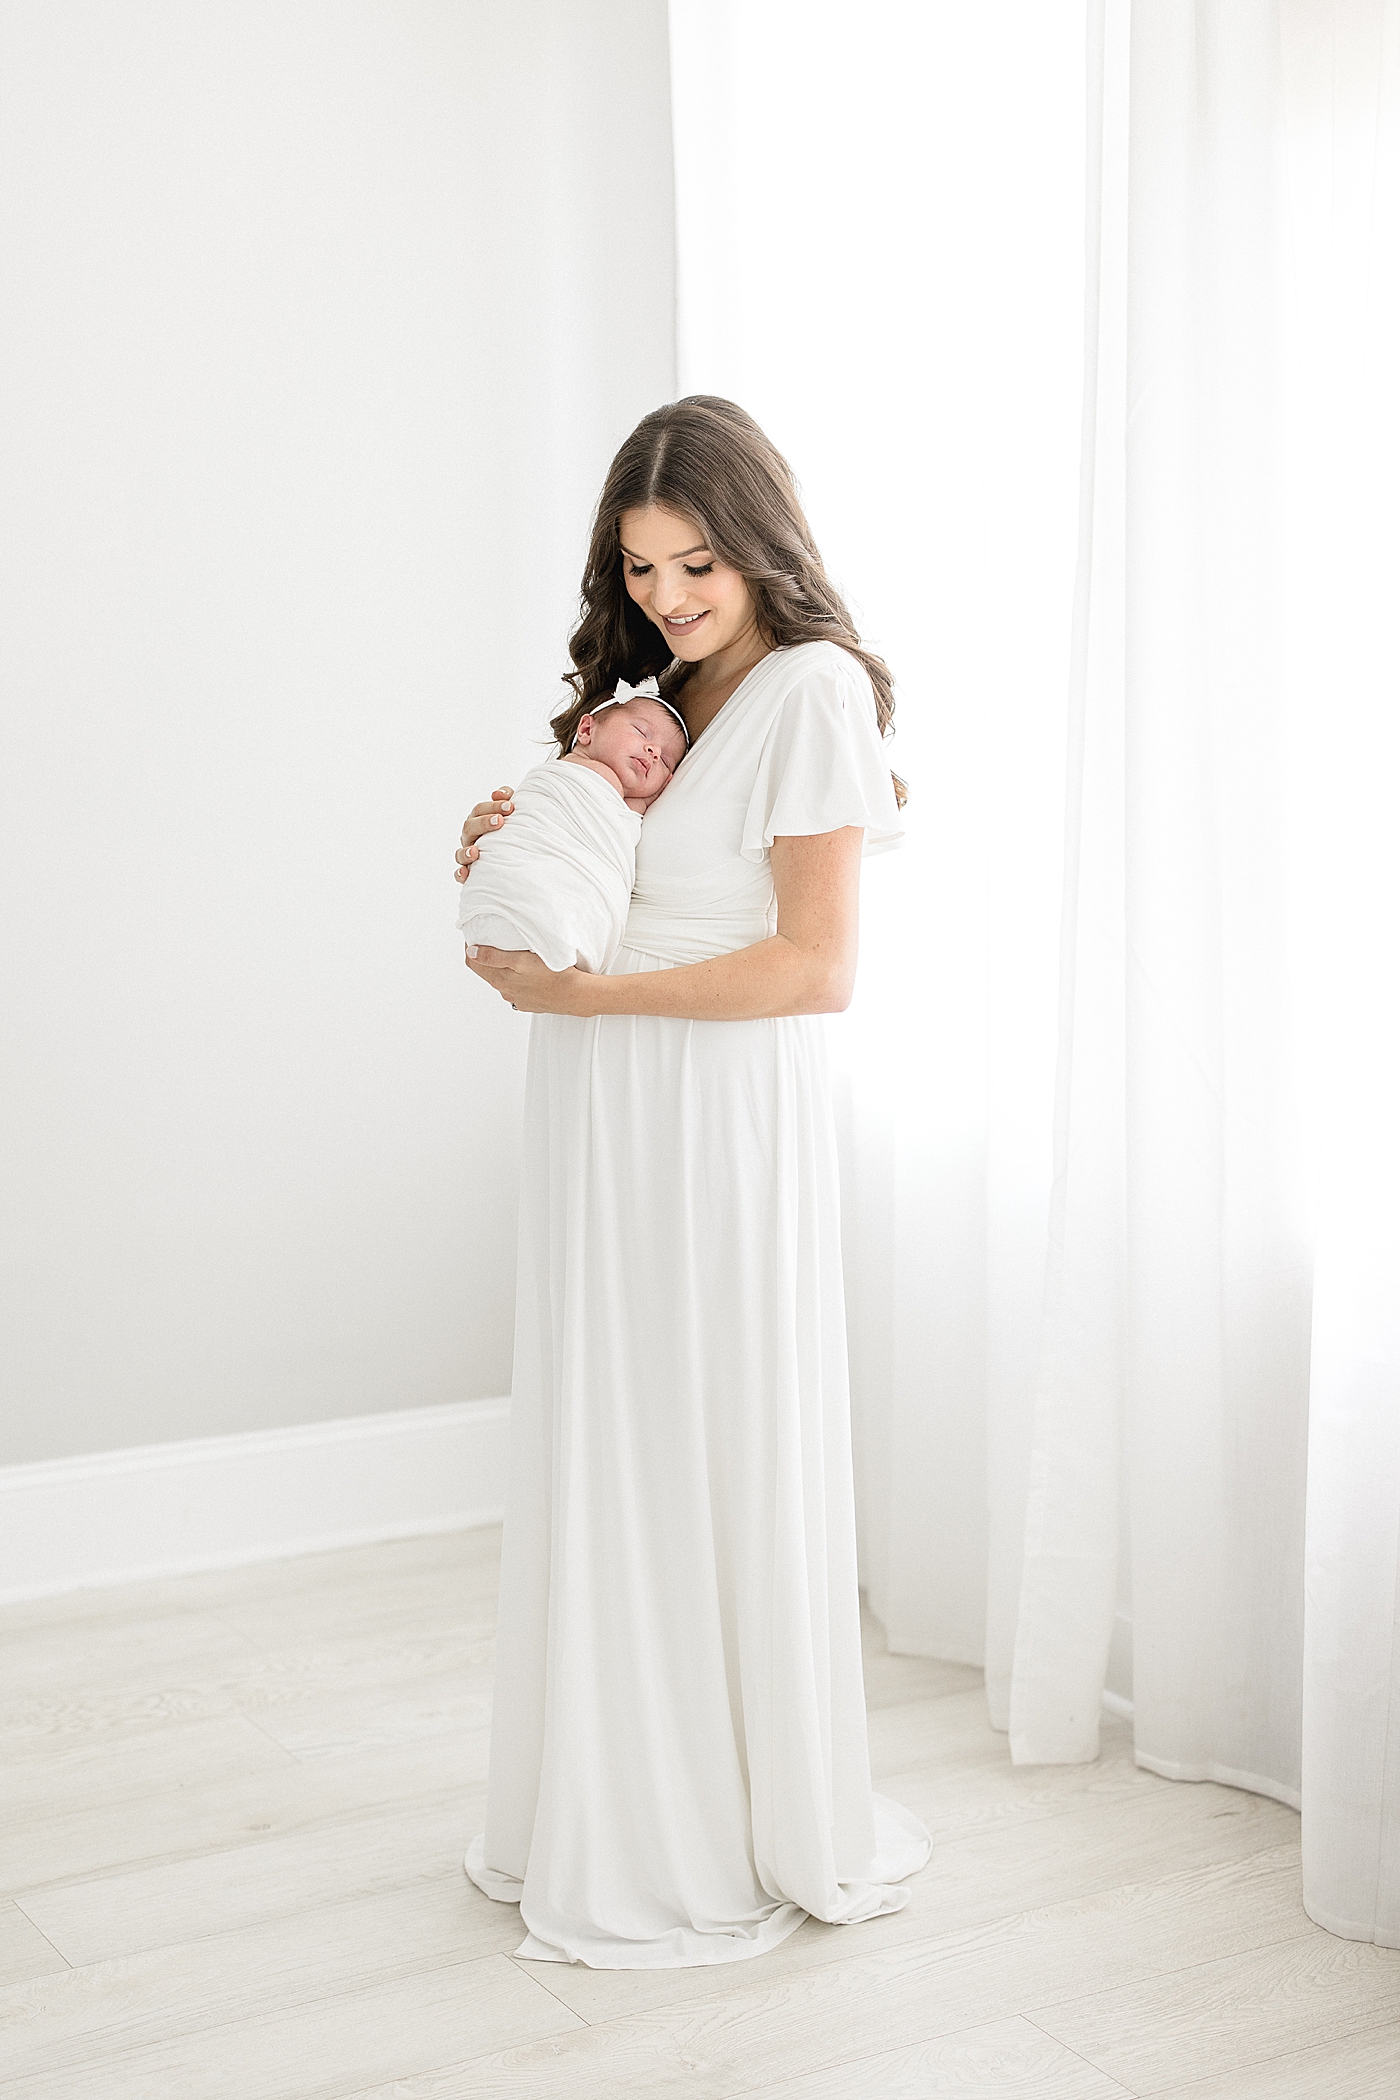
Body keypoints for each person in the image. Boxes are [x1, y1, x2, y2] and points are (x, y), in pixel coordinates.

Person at [454, 395, 931, 1969]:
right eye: (642, 566)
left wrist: (590, 996)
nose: (666, 595)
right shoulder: (662, 697)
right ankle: (623, 1791)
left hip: (714, 1106)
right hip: (609, 1107)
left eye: (698, 561)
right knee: (620, 1432)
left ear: (762, 543)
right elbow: (629, 879)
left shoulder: (810, 691)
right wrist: (532, 837)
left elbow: (814, 966)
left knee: (703, 1428)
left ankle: (725, 1813)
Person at [456, 681, 686, 975]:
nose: (654, 752)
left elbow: (616, 841)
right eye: (642, 733)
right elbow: (534, 818)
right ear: (587, 730)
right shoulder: (566, 772)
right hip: (516, 872)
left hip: (564, 920)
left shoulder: (631, 808)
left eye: (665, 761)